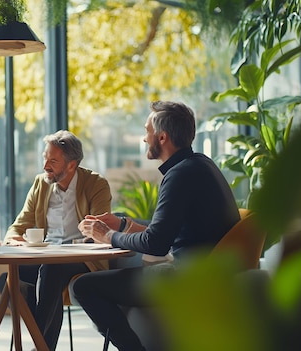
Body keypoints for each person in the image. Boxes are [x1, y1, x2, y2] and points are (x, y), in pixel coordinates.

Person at [73, 101, 240, 351]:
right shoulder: (200, 164)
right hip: (210, 270)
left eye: (146, 131)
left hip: (189, 278)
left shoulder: (179, 175)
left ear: (162, 137)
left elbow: (156, 243)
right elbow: (168, 227)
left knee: (82, 286)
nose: (143, 139)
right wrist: (123, 224)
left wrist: (109, 236)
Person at [3, 130, 112, 351]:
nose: (45, 166)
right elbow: (19, 223)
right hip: (48, 257)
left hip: (83, 259)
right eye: (45, 158)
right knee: (8, 280)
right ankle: (44, 345)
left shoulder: (95, 184)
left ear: (71, 165)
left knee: (51, 270)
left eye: (52, 160)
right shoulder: (40, 184)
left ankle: (40, 344)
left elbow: (101, 229)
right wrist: (13, 239)